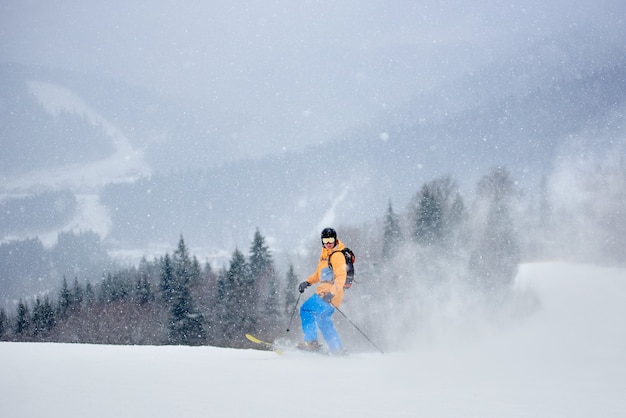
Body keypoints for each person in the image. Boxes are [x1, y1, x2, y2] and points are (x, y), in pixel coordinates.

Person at [297, 227, 348, 354]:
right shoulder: (325, 255)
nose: (328, 242)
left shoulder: (337, 255)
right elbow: (319, 275)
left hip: (328, 293)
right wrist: (307, 282)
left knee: (306, 309)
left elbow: (341, 277)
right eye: (325, 240)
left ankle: (311, 343)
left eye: (331, 239)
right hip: (329, 294)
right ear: (322, 241)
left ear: (335, 239)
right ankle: (337, 350)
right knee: (323, 321)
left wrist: (332, 293)